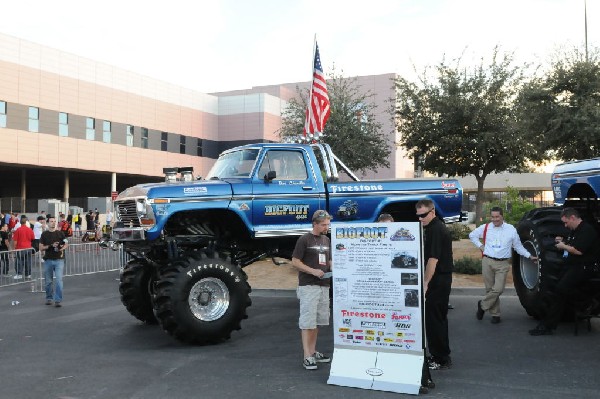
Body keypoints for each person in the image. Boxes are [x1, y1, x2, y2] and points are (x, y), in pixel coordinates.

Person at [529, 207, 599, 336]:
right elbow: (572, 245)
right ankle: (549, 323)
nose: (565, 225)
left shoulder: (587, 230)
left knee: (560, 290)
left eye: (566, 222)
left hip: (583, 267)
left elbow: (578, 250)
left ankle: (548, 325)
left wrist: (563, 246)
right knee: (559, 290)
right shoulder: (576, 230)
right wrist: (563, 242)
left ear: (573, 218)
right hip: (573, 266)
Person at [469, 207, 537, 324]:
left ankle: (483, 305)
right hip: (487, 261)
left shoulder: (510, 229)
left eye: (497, 217)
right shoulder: (485, 227)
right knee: (490, 289)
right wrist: (480, 246)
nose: (495, 219)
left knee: (498, 289)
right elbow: (472, 235)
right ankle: (495, 314)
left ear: (502, 216)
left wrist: (529, 256)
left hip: (503, 263)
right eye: (493, 217)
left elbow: (518, 246)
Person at [291, 210, 333, 370]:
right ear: (314, 224)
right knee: (307, 322)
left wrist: (332, 266)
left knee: (317, 322)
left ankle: (313, 351)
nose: (326, 227)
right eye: (323, 225)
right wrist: (313, 271)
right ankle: (307, 355)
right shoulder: (304, 239)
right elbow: (295, 261)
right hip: (309, 285)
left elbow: (328, 260)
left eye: (328, 224)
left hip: (324, 285)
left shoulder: (326, 240)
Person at [416, 199, 453, 370]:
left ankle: (440, 358)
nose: (420, 219)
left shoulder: (436, 229)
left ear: (432, 212)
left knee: (435, 319)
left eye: (423, 215)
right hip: (438, 279)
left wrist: (425, 283)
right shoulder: (430, 228)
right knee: (435, 318)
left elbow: (433, 259)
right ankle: (439, 355)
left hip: (438, 280)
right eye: (418, 216)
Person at [39, 216, 68, 307]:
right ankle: (49, 298)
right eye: (51, 221)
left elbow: (66, 243)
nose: (53, 223)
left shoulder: (60, 234)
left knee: (59, 280)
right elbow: (40, 248)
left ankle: (58, 300)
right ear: (48, 223)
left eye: (55, 221)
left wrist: (62, 248)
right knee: (48, 281)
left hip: (59, 260)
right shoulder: (44, 234)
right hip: (48, 260)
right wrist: (51, 245)